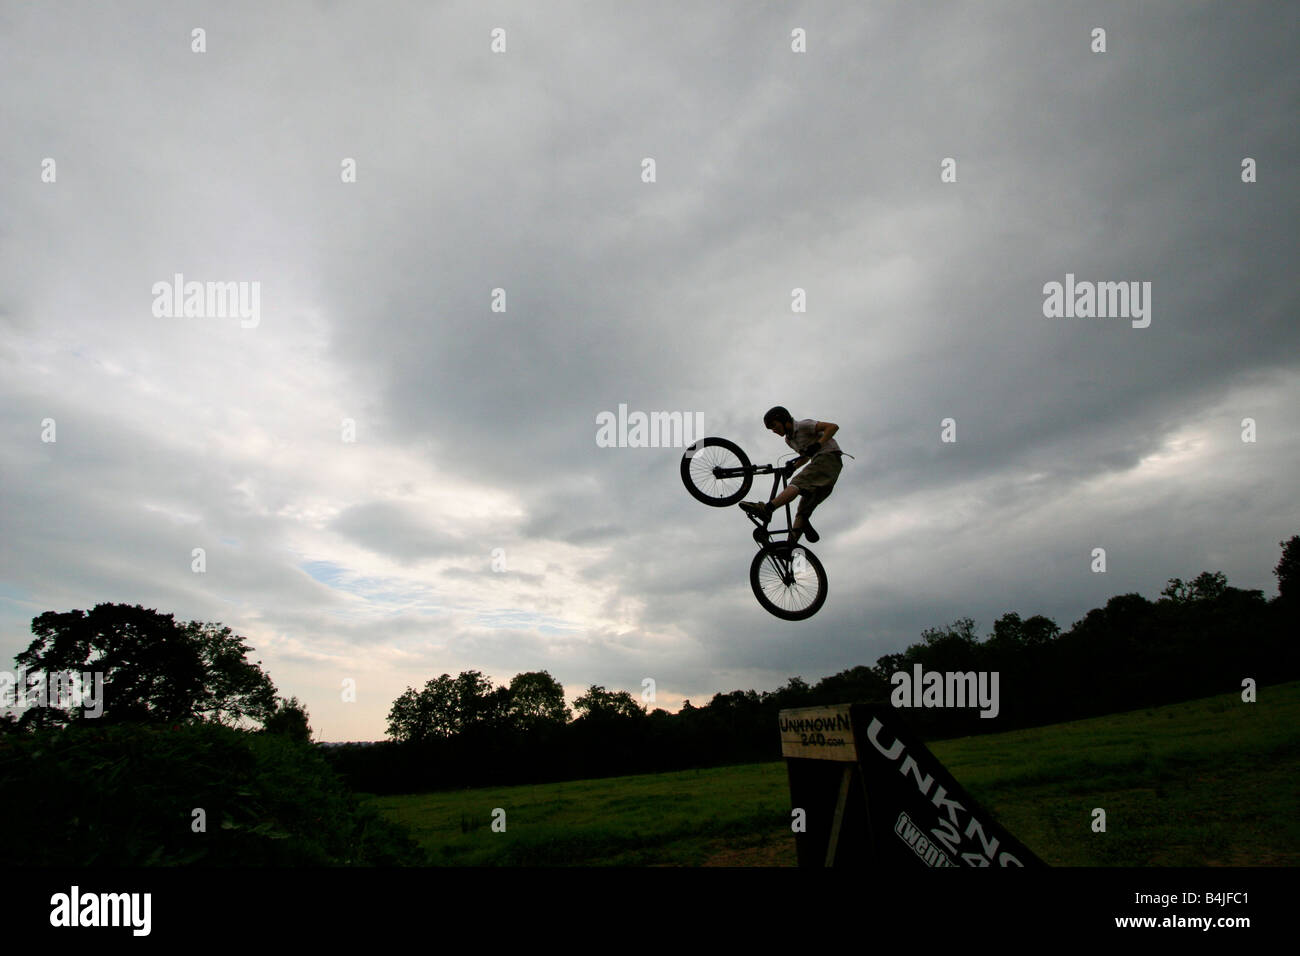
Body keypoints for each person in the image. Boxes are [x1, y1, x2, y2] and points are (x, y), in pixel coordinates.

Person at [740, 406, 844, 547]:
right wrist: (793, 467)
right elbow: (805, 457)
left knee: (797, 483)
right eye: (771, 429)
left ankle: (767, 508)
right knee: (802, 511)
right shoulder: (789, 440)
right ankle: (790, 546)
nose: (774, 430)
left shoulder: (803, 426)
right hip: (824, 470)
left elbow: (833, 427)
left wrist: (819, 444)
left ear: (784, 420)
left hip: (828, 458)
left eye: (774, 426)